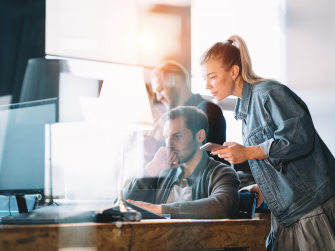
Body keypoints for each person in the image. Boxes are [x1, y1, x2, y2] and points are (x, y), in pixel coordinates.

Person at [200, 35, 335, 250]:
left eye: (212, 77)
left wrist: (248, 152)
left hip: (311, 209)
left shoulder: (268, 93)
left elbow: (299, 139)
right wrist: (264, 187)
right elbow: (281, 158)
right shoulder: (245, 111)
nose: (207, 85)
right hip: (287, 215)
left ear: (234, 72)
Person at [123, 106, 240, 219]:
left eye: (177, 136)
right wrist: (153, 167)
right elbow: (124, 204)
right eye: (166, 137)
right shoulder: (161, 172)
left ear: (200, 136)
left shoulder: (222, 173)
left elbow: (223, 207)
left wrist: (161, 209)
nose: (169, 145)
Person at [150, 60, 228, 164]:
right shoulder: (172, 118)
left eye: (161, 89)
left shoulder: (208, 110)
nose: (159, 97)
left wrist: (155, 146)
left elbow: (198, 155)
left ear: (177, 80)